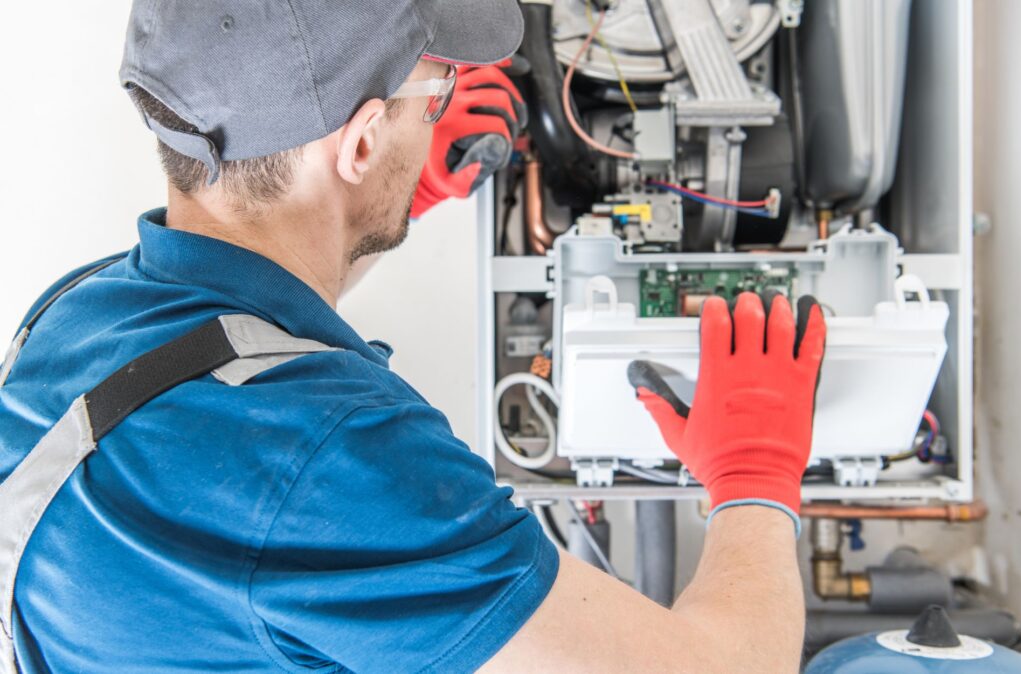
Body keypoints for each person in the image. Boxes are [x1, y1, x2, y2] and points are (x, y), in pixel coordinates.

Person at [0, 1, 825, 672]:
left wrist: (386, 203)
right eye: (434, 98)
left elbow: (244, 331)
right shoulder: (334, 460)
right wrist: (756, 476)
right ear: (359, 143)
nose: (442, 117)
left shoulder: (76, 315)